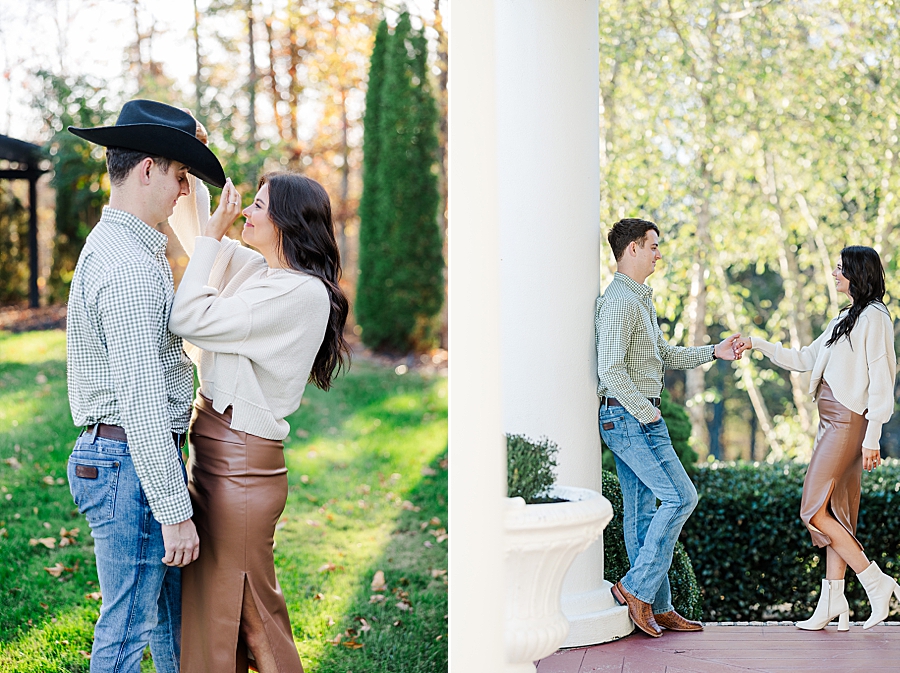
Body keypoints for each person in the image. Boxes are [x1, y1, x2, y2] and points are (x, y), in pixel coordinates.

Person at [65, 99, 226, 672]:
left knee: (171, 627)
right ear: (149, 168)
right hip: (128, 460)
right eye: (181, 176)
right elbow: (141, 401)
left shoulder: (129, 244)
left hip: (129, 459)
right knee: (128, 631)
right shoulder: (130, 267)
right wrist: (173, 510)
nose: (185, 192)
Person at [167, 168, 350, 672]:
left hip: (241, 465)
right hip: (219, 456)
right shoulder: (262, 273)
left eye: (260, 206)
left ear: (288, 222)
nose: (246, 212)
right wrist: (192, 160)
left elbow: (187, 317)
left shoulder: (297, 293)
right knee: (217, 609)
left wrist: (209, 239)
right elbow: (196, 228)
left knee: (252, 614)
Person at [733, 246, 899, 631]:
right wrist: (757, 343)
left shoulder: (875, 317)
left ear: (858, 273)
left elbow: (882, 380)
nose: (834, 275)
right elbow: (805, 358)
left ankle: (875, 582)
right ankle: (833, 600)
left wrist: (872, 436)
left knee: (812, 509)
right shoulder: (846, 317)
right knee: (837, 510)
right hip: (832, 423)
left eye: (840, 269)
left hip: (847, 423)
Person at [596, 218, 741, 637]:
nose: (660, 253)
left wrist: (714, 351)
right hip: (628, 417)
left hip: (637, 416)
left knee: (643, 514)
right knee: (681, 498)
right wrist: (648, 413)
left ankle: (657, 607)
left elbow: (663, 354)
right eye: (653, 246)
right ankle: (635, 588)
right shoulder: (619, 302)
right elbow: (610, 369)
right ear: (633, 250)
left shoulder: (640, 299)